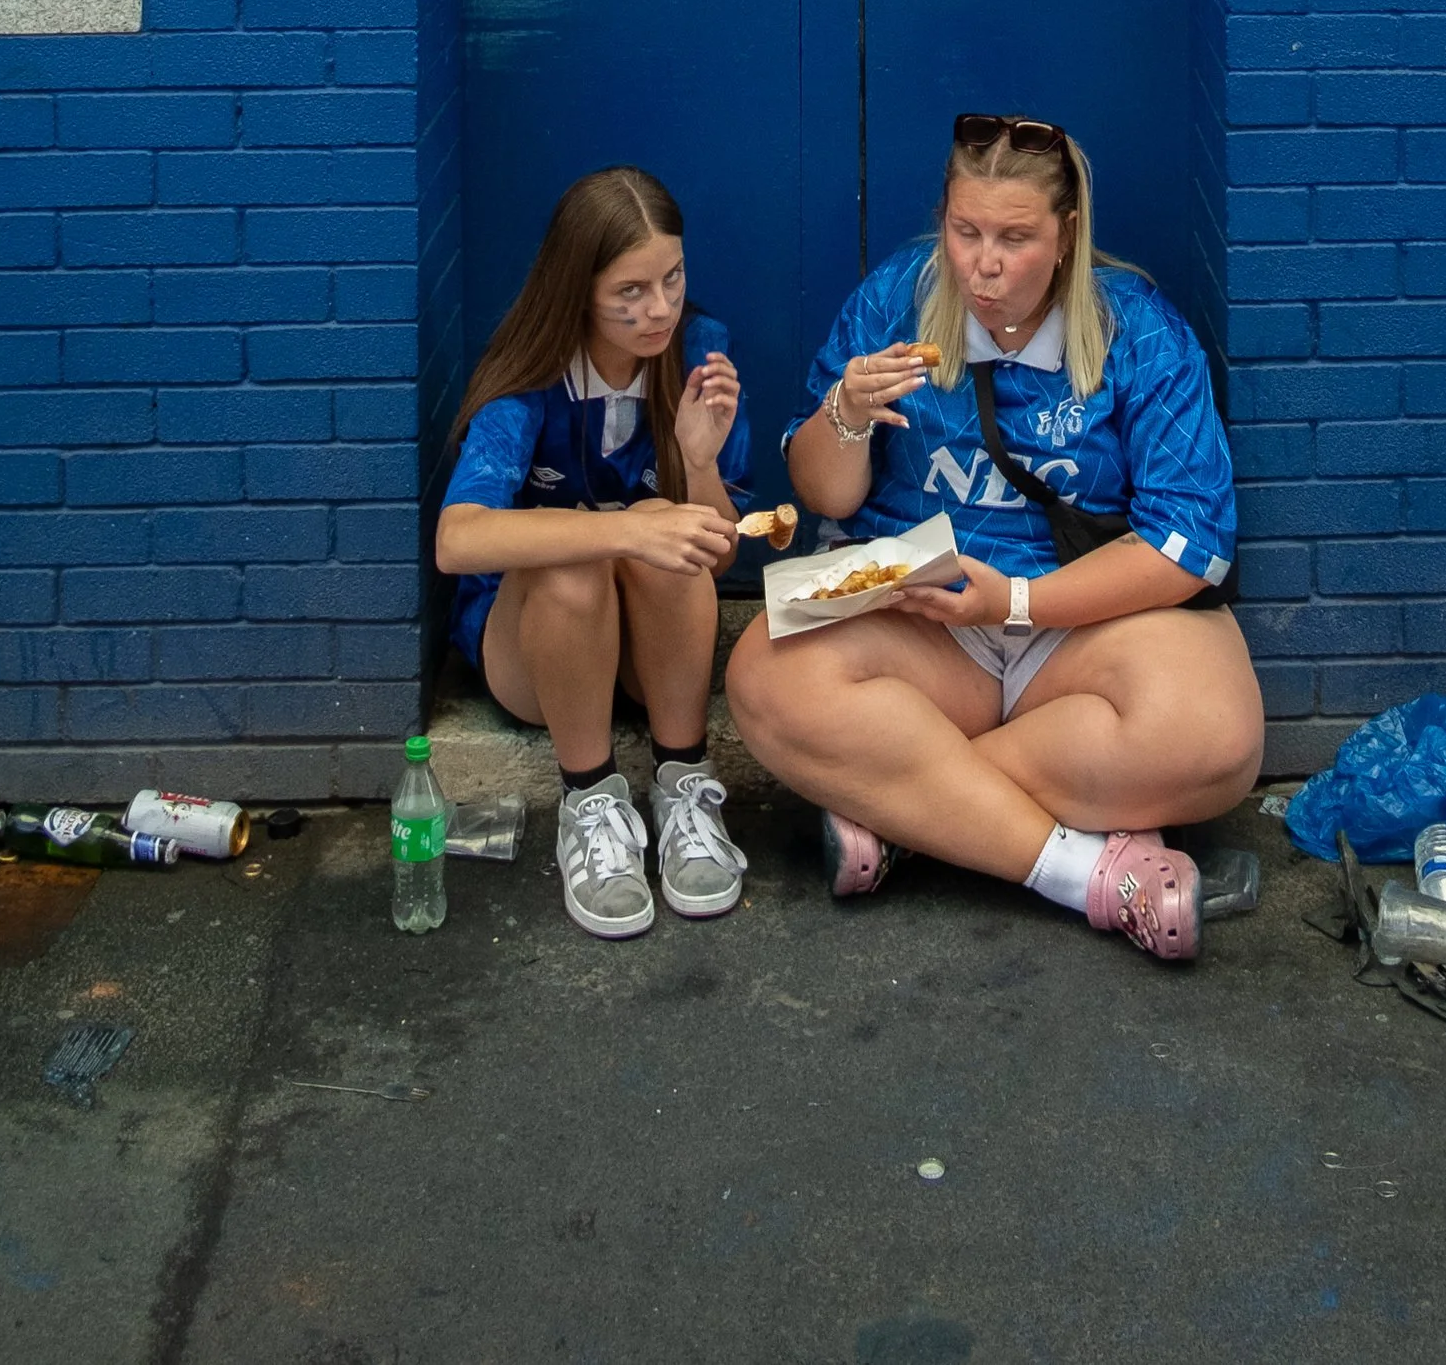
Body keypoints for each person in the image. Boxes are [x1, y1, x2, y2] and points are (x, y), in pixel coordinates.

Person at [727, 116, 1263, 963]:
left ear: (1067, 236)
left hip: (1075, 610)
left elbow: (1190, 543)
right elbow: (820, 491)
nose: (983, 263)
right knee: (763, 674)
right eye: (965, 231)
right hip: (914, 587)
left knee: (1217, 744)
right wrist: (846, 414)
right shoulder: (894, 296)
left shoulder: (1140, 330)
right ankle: (1083, 868)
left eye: (1015, 238)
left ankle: (916, 813)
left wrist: (1016, 600)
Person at [436, 165, 751, 940]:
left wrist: (700, 465)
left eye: (672, 279)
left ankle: (683, 788)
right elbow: (457, 539)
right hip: (536, 656)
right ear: (578, 288)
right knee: (582, 552)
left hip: (647, 659)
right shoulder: (531, 375)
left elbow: (720, 560)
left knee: (664, 529)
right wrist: (623, 530)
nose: (661, 309)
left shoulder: (698, 354)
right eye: (630, 293)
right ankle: (592, 802)